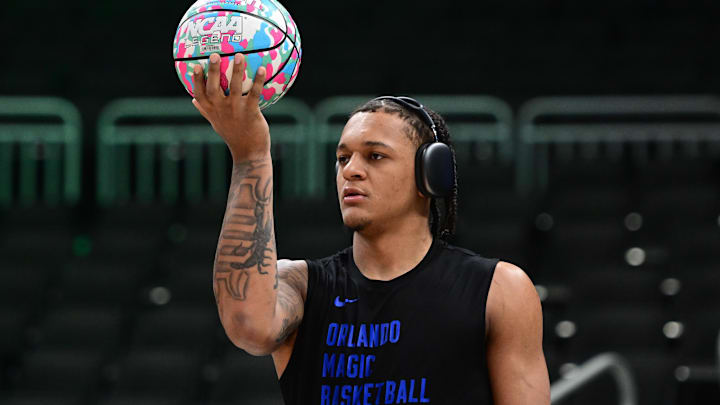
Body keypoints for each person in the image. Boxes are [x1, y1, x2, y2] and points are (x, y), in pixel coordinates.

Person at [192, 52, 550, 404]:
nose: (351, 170)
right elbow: (248, 326)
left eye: (375, 156)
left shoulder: (500, 291)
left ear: (430, 174)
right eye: (343, 158)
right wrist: (250, 156)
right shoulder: (300, 287)